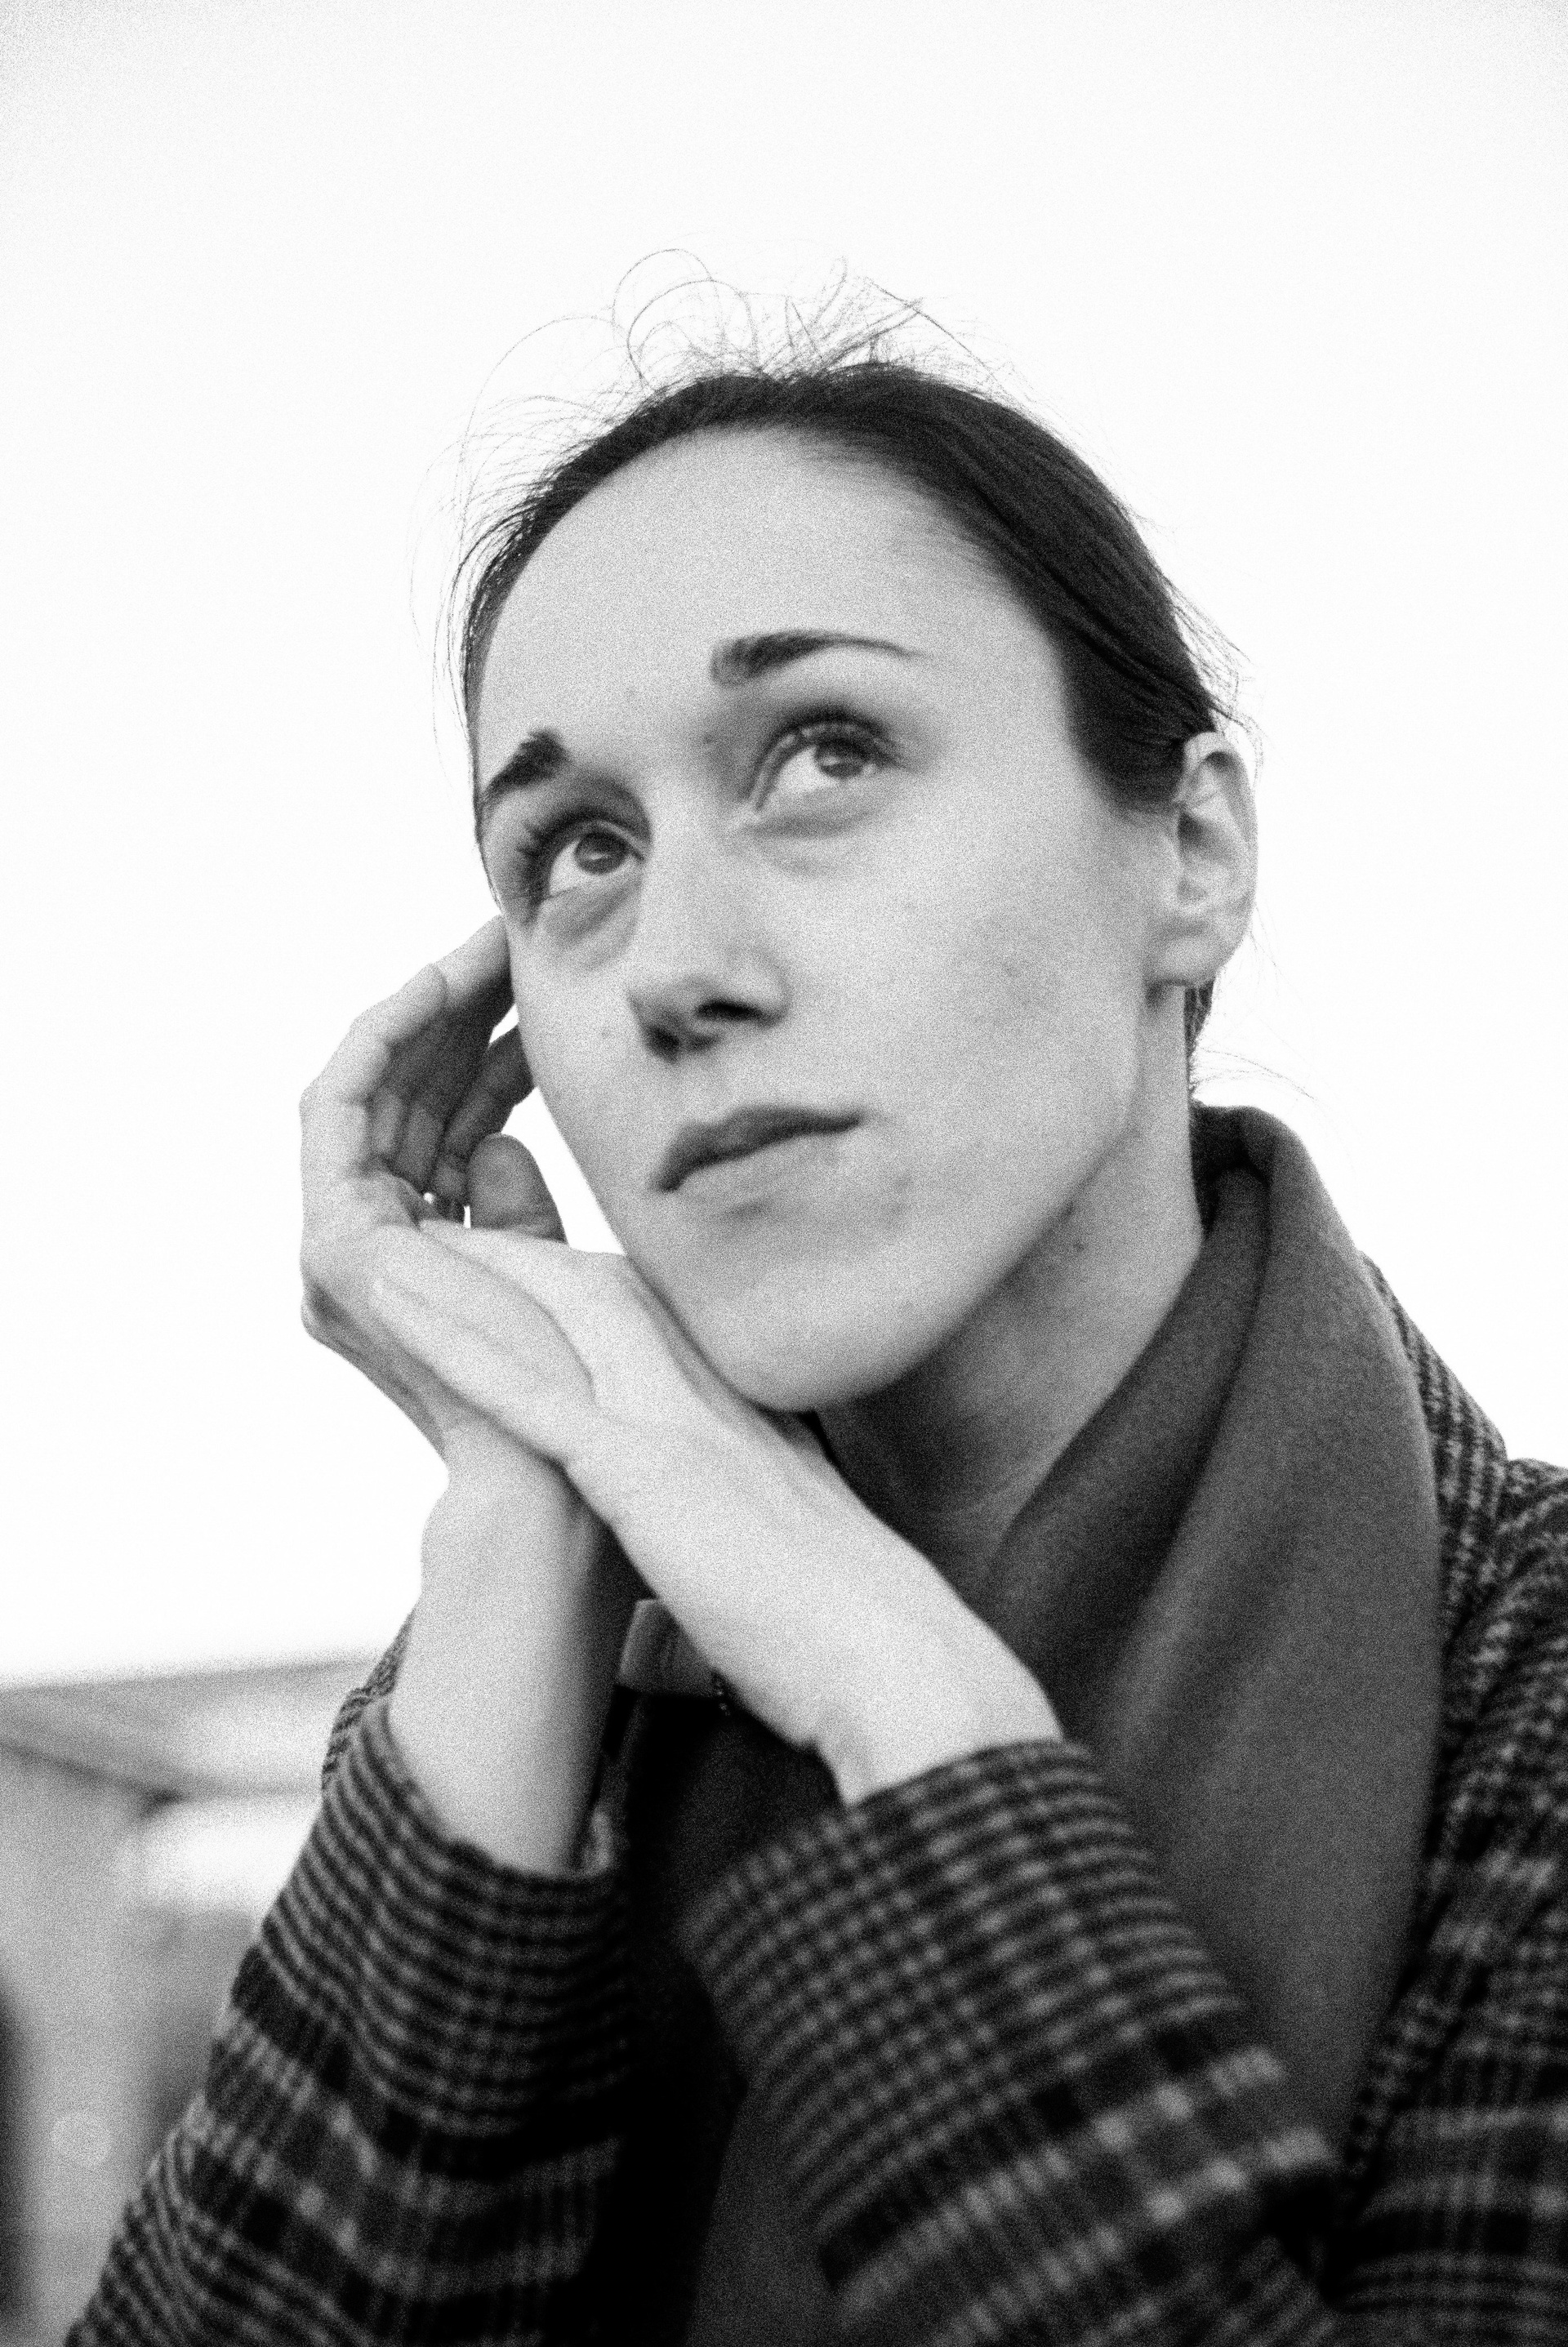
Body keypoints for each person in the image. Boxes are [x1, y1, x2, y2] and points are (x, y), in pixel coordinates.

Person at [73, 338, 1568, 2345]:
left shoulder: (1527, 1688)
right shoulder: (528, 1713)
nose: (674, 972)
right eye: (580, 851)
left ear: (1191, 855)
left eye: (824, 755)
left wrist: (883, 1676)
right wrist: (520, 1522)